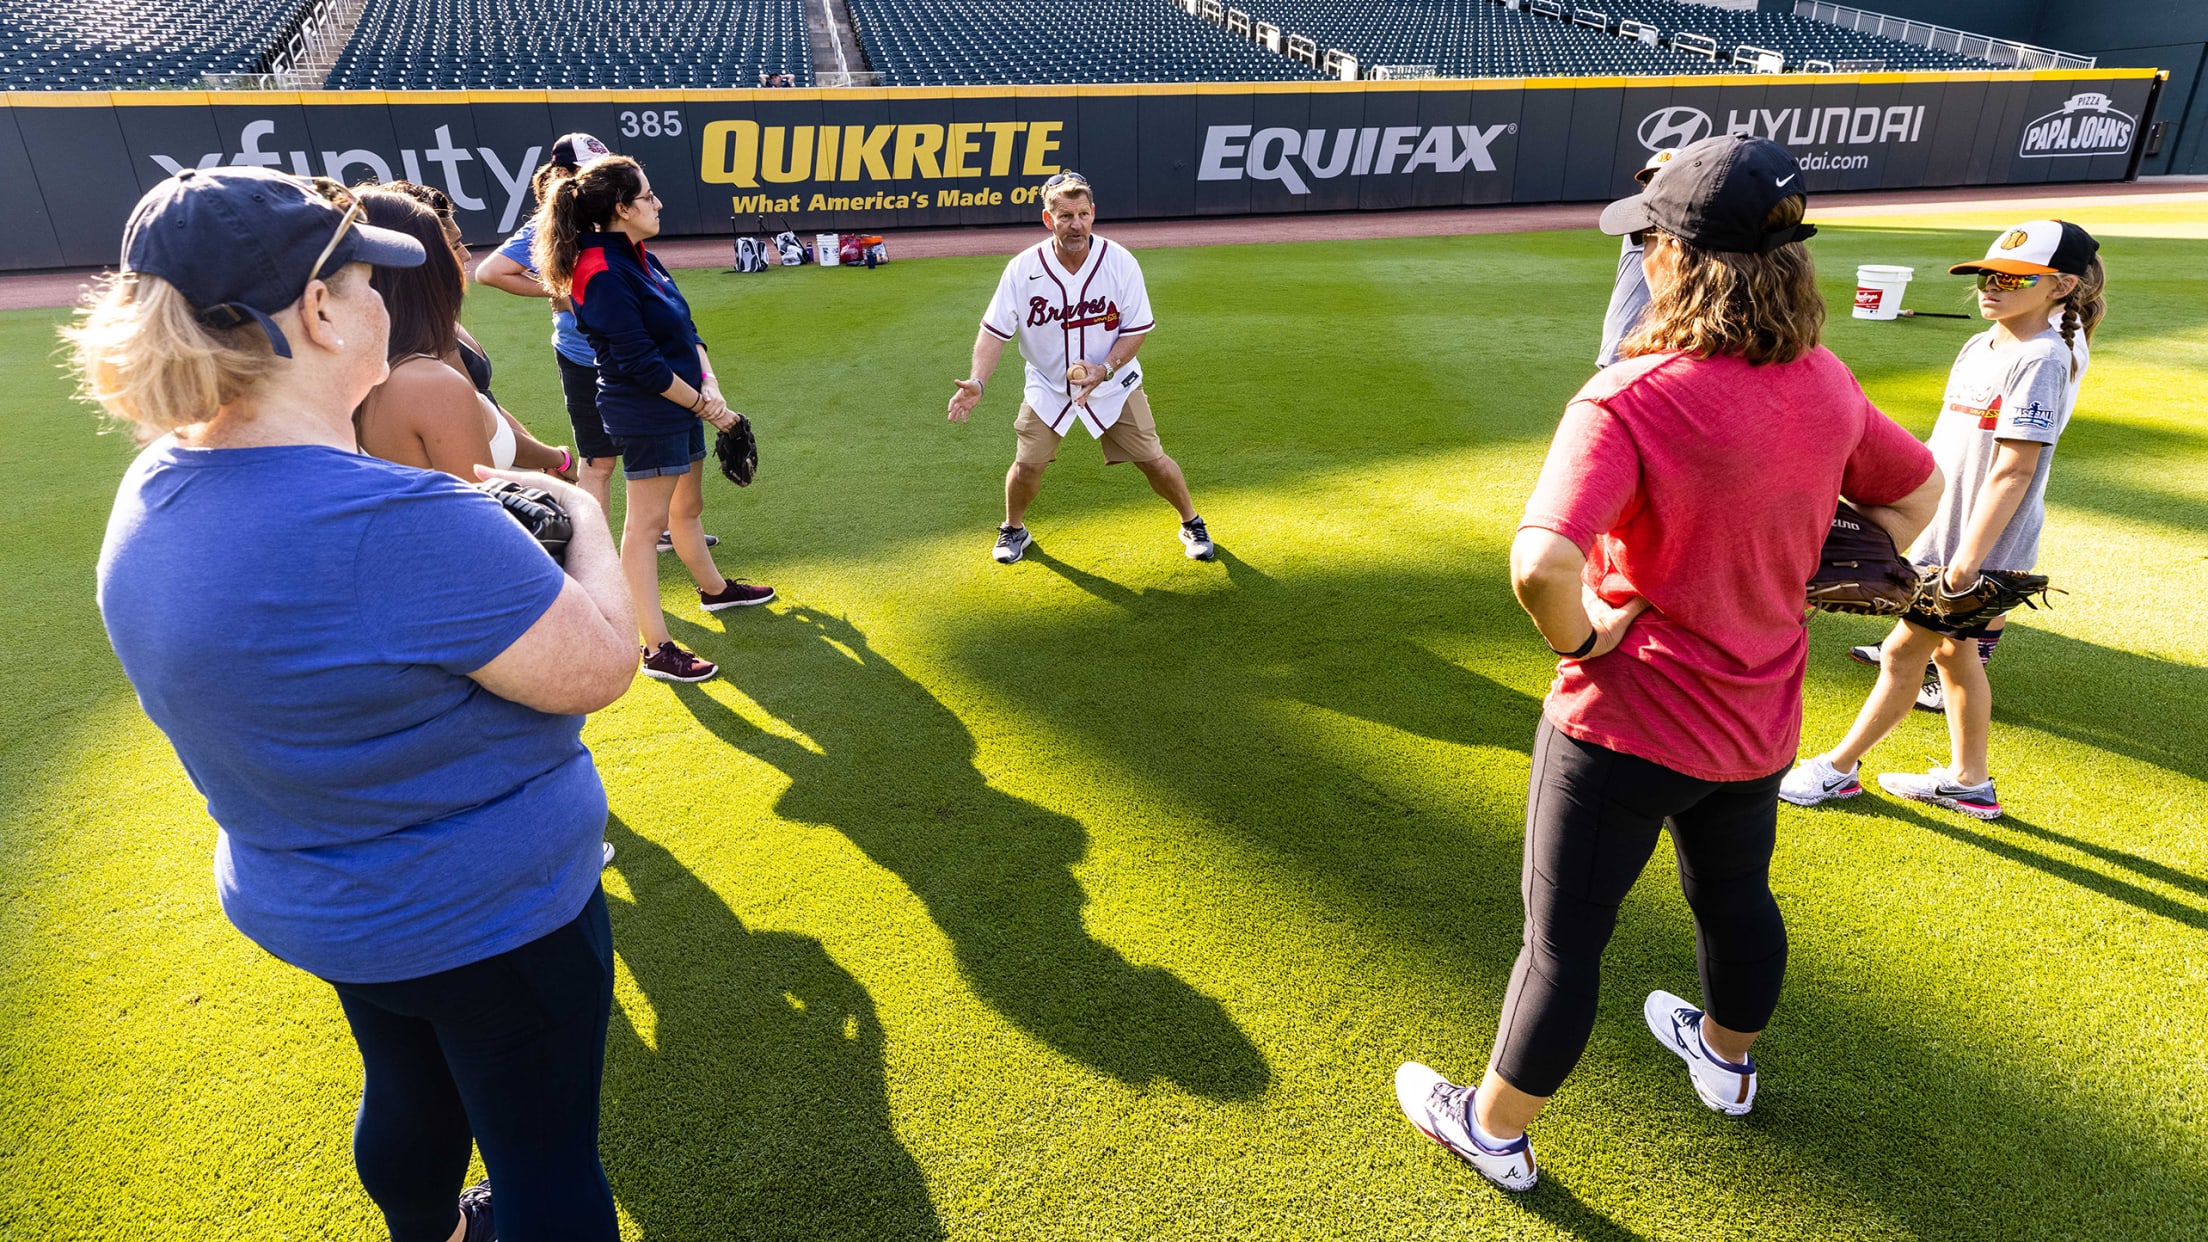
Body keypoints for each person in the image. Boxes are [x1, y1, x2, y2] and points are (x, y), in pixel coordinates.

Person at [75, 167, 638, 1241]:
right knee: (545, 1158)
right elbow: (601, 665)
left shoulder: (151, 483)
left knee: (410, 1089)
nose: (389, 299)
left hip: (328, 907)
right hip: (492, 915)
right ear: (319, 310)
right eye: (366, 280)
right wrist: (582, 520)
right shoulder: (401, 523)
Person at [1391, 136, 1943, 1191]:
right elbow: (1913, 496)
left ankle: (1494, 1130)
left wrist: (1585, 634)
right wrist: (1806, 544)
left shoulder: (1629, 396)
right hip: (1758, 719)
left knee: (1563, 945)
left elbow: (1542, 565)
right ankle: (1728, 1064)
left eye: (1648, 237)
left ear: (1674, 260)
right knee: (1736, 900)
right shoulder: (1823, 379)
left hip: (1623, 725)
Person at [1781, 220, 2103, 821]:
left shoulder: (2043, 358)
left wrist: (1965, 564)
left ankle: (1839, 768)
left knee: (1905, 654)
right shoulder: (1983, 344)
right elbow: (1943, 446)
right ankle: (1969, 781)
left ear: (2060, 286)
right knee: (1955, 657)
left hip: (1978, 547)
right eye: (1986, 274)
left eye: (2012, 278)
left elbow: (2013, 470)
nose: (1991, 286)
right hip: (1941, 532)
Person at [532, 154, 773, 684]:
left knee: (688, 506)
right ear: (620, 208)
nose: (657, 203)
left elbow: (685, 327)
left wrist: (708, 386)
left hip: (681, 399)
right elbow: (640, 364)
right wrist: (705, 406)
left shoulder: (638, 254)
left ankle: (714, 592)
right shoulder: (599, 270)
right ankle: (654, 646)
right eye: (646, 196)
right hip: (647, 411)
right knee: (645, 527)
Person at [946, 171, 1214, 565]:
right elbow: (993, 332)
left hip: (1116, 383)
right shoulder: (1022, 270)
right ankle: (1014, 529)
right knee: (1027, 466)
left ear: (1093, 214)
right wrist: (977, 382)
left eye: (1083, 214)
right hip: (1048, 386)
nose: (1076, 224)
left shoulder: (1120, 262)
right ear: (1047, 219)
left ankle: (1191, 521)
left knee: (1154, 460)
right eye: (1066, 216)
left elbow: (1136, 330)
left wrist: (1105, 368)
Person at [477, 136, 717, 553]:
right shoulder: (555, 221)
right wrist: (568, 295)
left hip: (636, 355)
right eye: (590, 165)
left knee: (663, 455)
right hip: (586, 358)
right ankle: (595, 553)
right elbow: (490, 272)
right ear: (566, 174)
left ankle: (660, 529)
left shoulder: (616, 226)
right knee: (600, 461)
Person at [352, 187, 575, 481]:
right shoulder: (426, 376)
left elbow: (484, 406)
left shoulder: (420, 337)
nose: (466, 255)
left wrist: (548, 462)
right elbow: (478, 499)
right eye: (453, 245)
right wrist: (557, 461)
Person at [1595, 148, 1675, 368]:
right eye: (1652, 180)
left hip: (1645, 349)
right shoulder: (1639, 220)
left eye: (1666, 179)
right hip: (1626, 350)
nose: (1657, 187)